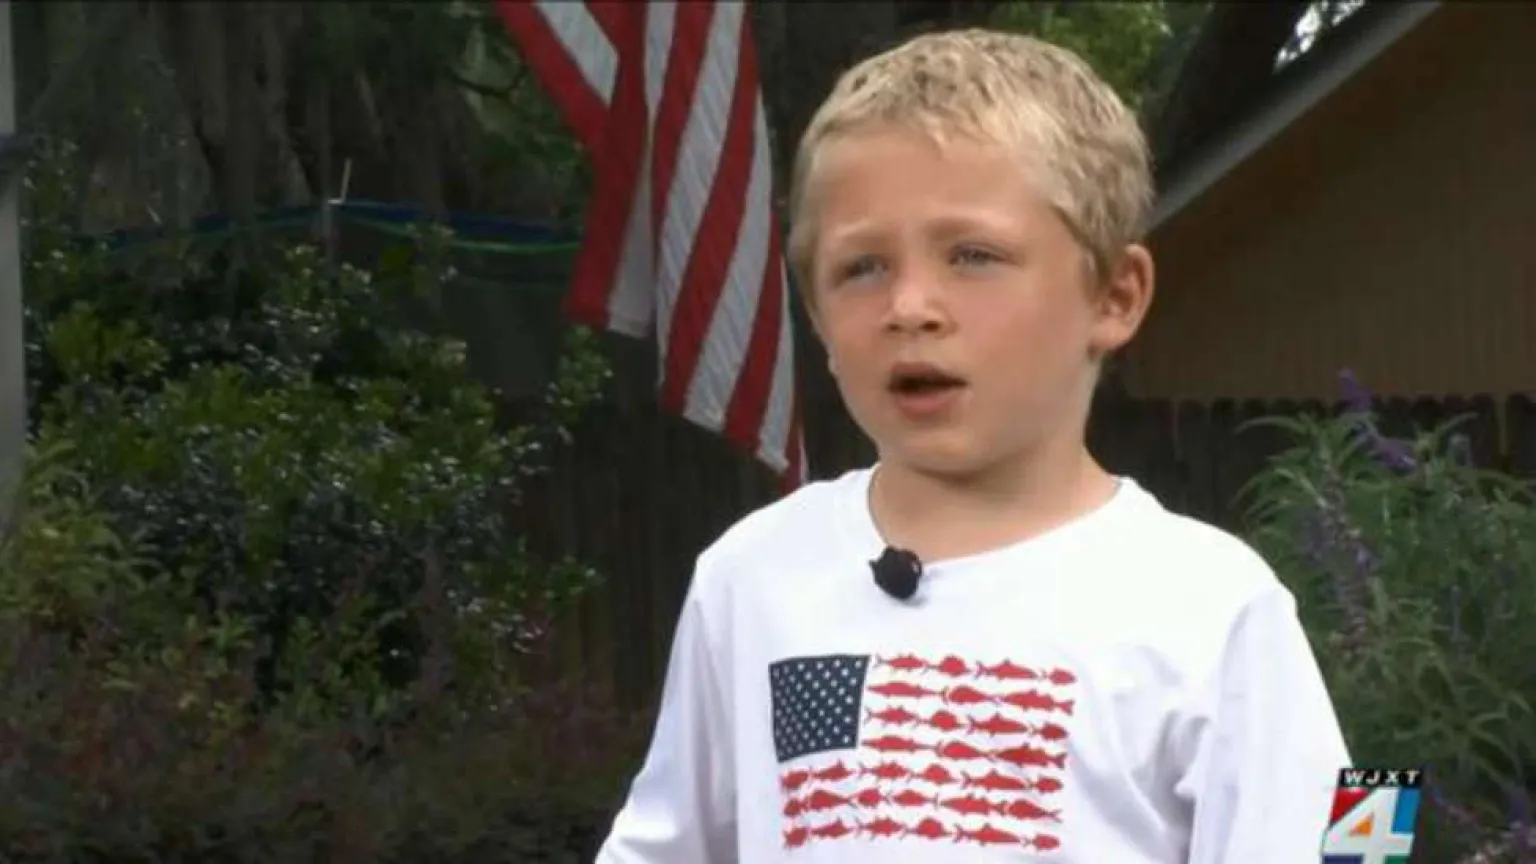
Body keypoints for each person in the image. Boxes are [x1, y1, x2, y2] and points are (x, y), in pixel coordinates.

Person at [594, 27, 1350, 863]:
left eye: (973, 256)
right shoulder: (752, 576)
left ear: (1115, 295)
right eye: (862, 267)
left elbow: (1353, 844)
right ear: (815, 314)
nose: (910, 306)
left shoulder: (1214, 601)